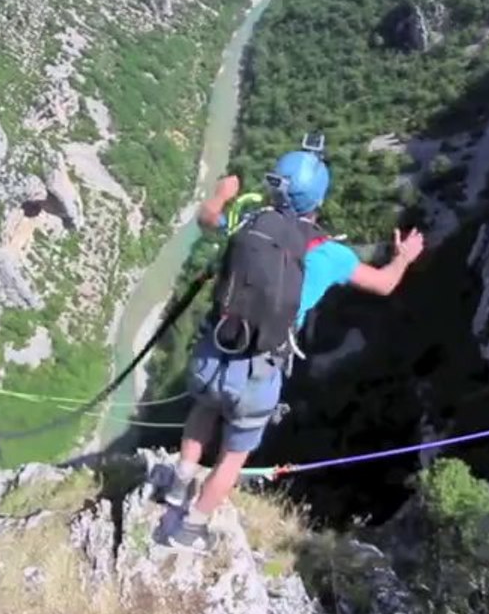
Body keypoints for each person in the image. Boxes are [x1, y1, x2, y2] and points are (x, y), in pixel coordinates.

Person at [163, 141, 426, 552]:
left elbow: (206, 218)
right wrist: (404, 257)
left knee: (203, 409)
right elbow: (385, 283)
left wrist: (222, 192)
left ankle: (178, 484)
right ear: (318, 200)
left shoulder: (249, 220)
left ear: (274, 189)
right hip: (258, 373)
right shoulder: (331, 254)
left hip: (214, 352)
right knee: (233, 455)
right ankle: (189, 528)